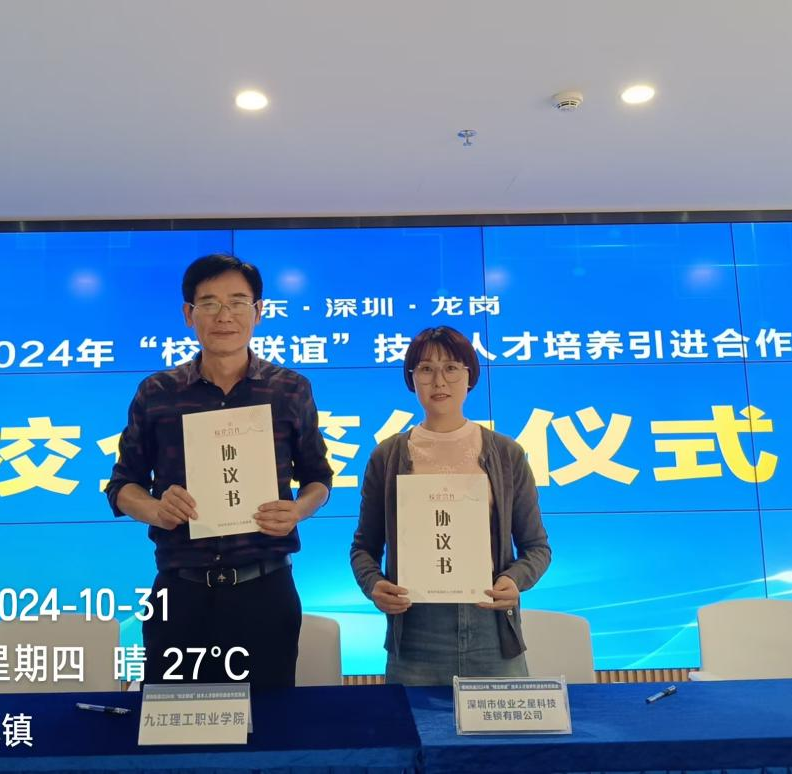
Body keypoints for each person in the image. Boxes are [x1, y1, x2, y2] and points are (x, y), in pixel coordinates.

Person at [105, 253, 333, 688]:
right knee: (173, 721)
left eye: (237, 302)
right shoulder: (157, 392)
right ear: (188, 314)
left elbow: (318, 478)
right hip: (180, 592)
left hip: (265, 589)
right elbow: (123, 484)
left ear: (258, 312)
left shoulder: (290, 389)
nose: (224, 316)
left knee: (268, 721)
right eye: (208, 303)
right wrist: (155, 509)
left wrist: (298, 510)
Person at [350, 326, 550, 684]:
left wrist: (514, 580)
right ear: (412, 379)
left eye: (452, 368)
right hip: (415, 635)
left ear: (470, 376)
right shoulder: (388, 456)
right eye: (426, 369)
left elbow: (537, 548)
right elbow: (363, 548)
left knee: (503, 723)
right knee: (409, 723)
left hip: (491, 633)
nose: (439, 380)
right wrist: (374, 585)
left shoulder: (506, 453)